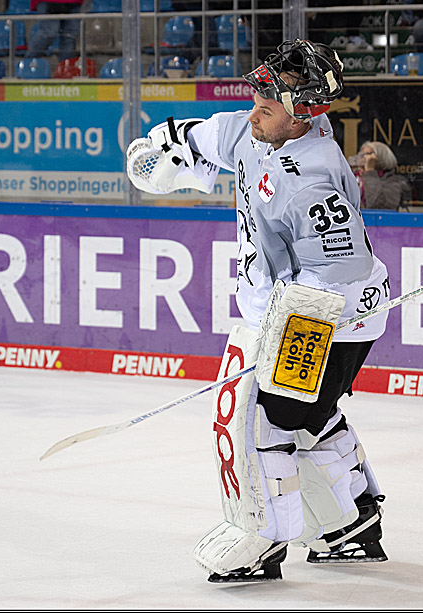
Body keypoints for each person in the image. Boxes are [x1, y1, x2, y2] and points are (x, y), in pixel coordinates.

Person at [126, 40, 391, 583]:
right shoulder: (257, 130)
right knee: (309, 419)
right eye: (254, 101)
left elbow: (335, 277)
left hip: (331, 321)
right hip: (289, 308)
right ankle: (349, 526)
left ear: (303, 112)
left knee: (259, 418)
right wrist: (158, 156)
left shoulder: (313, 181)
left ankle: (260, 538)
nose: (253, 113)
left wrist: (278, 336)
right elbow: (196, 138)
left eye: (265, 106)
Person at [350, 141, 411, 210]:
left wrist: (370, 171)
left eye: (368, 154)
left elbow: (377, 205)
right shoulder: (355, 177)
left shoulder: (393, 181)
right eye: (362, 154)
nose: (364, 157)